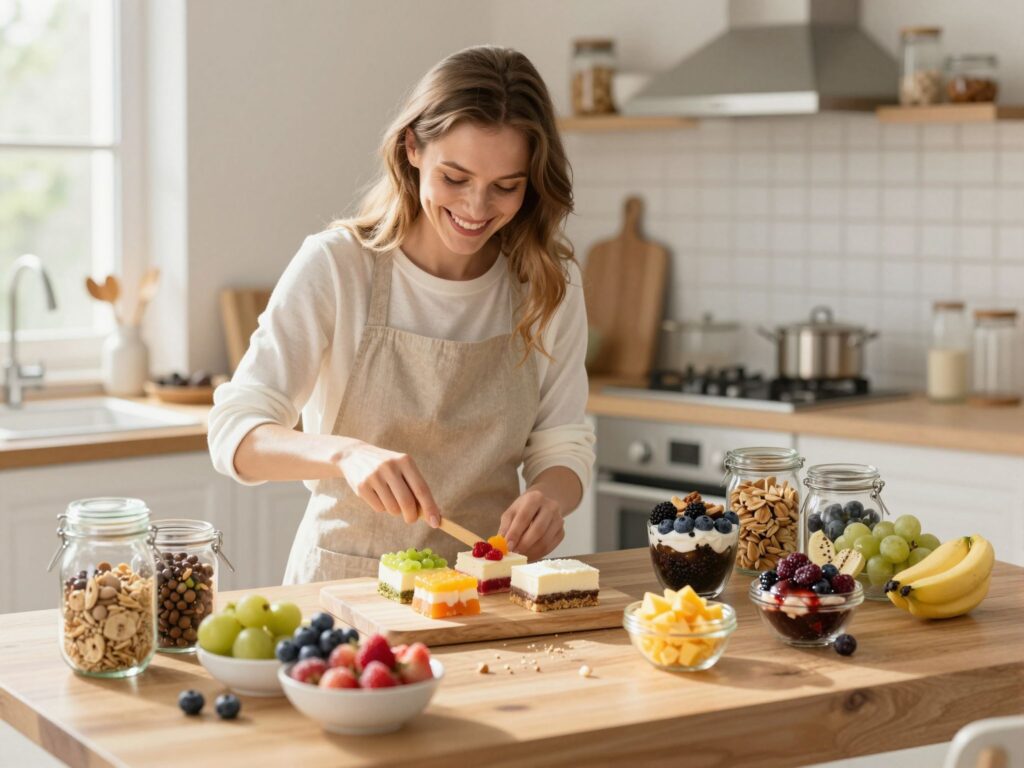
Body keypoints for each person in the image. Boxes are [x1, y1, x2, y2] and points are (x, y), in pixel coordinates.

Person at [208, 45, 594, 583]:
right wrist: (344, 455)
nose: (477, 209)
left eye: (506, 186)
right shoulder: (338, 267)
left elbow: (563, 442)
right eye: (455, 178)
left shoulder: (547, 284)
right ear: (412, 148)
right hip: (344, 590)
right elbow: (235, 433)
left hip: (488, 591)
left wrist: (551, 497)